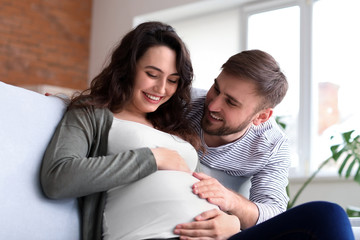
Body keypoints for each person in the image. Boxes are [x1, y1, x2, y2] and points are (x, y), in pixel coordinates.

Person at [40, 21, 240, 240]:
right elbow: (58, 178)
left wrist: (231, 221)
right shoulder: (92, 113)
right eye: (152, 75)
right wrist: (153, 158)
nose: (162, 89)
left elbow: (207, 191)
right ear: (128, 68)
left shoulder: (177, 127)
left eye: (172, 80)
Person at [173, 49, 290, 238]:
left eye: (231, 102)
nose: (212, 106)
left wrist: (230, 202)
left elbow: (274, 213)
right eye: (216, 89)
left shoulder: (272, 145)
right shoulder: (183, 103)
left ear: (261, 117)